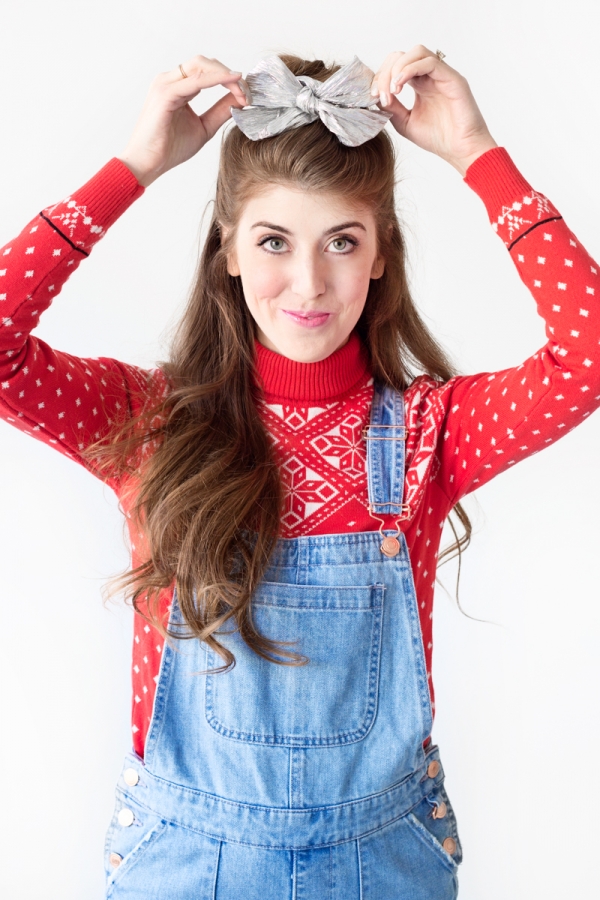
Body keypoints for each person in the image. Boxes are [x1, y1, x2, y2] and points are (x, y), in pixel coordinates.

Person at [0, 44, 598, 899]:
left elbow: (590, 353)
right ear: (230, 252)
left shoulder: (433, 433)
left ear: (381, 253)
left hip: (381, 864)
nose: (309, 282)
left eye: (342, 242)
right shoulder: (145, 425)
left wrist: (477, 152)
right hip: (182, 864)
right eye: (274, 240)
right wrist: (132, 168)